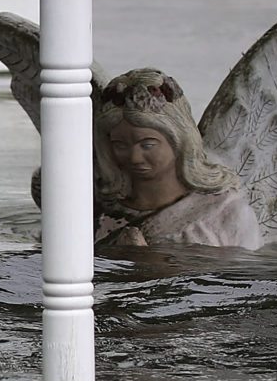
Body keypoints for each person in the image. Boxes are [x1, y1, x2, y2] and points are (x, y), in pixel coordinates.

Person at [93, 68, 263, 250]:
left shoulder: (227, 215)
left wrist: (146, 261)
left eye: (147, 145)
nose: (134, 157)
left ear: (179, 141)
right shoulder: (99, 212)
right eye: (120, 145)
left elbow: (239, 274)